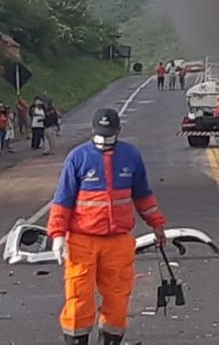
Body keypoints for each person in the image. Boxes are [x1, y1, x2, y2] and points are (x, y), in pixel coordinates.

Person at [48, 107, 167, 345]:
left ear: (118, 132)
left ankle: (111, 339)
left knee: (118, 295)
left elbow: (143, 196)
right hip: (81, 241)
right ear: (93, 131)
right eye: (100, 135)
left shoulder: (131, 156)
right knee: (78, 295)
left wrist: (157, 225)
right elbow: (63, 200)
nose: (104, 141)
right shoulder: (78, 158)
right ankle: (76, 339)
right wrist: (58, 235)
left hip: (118, 242)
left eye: (109, 136)